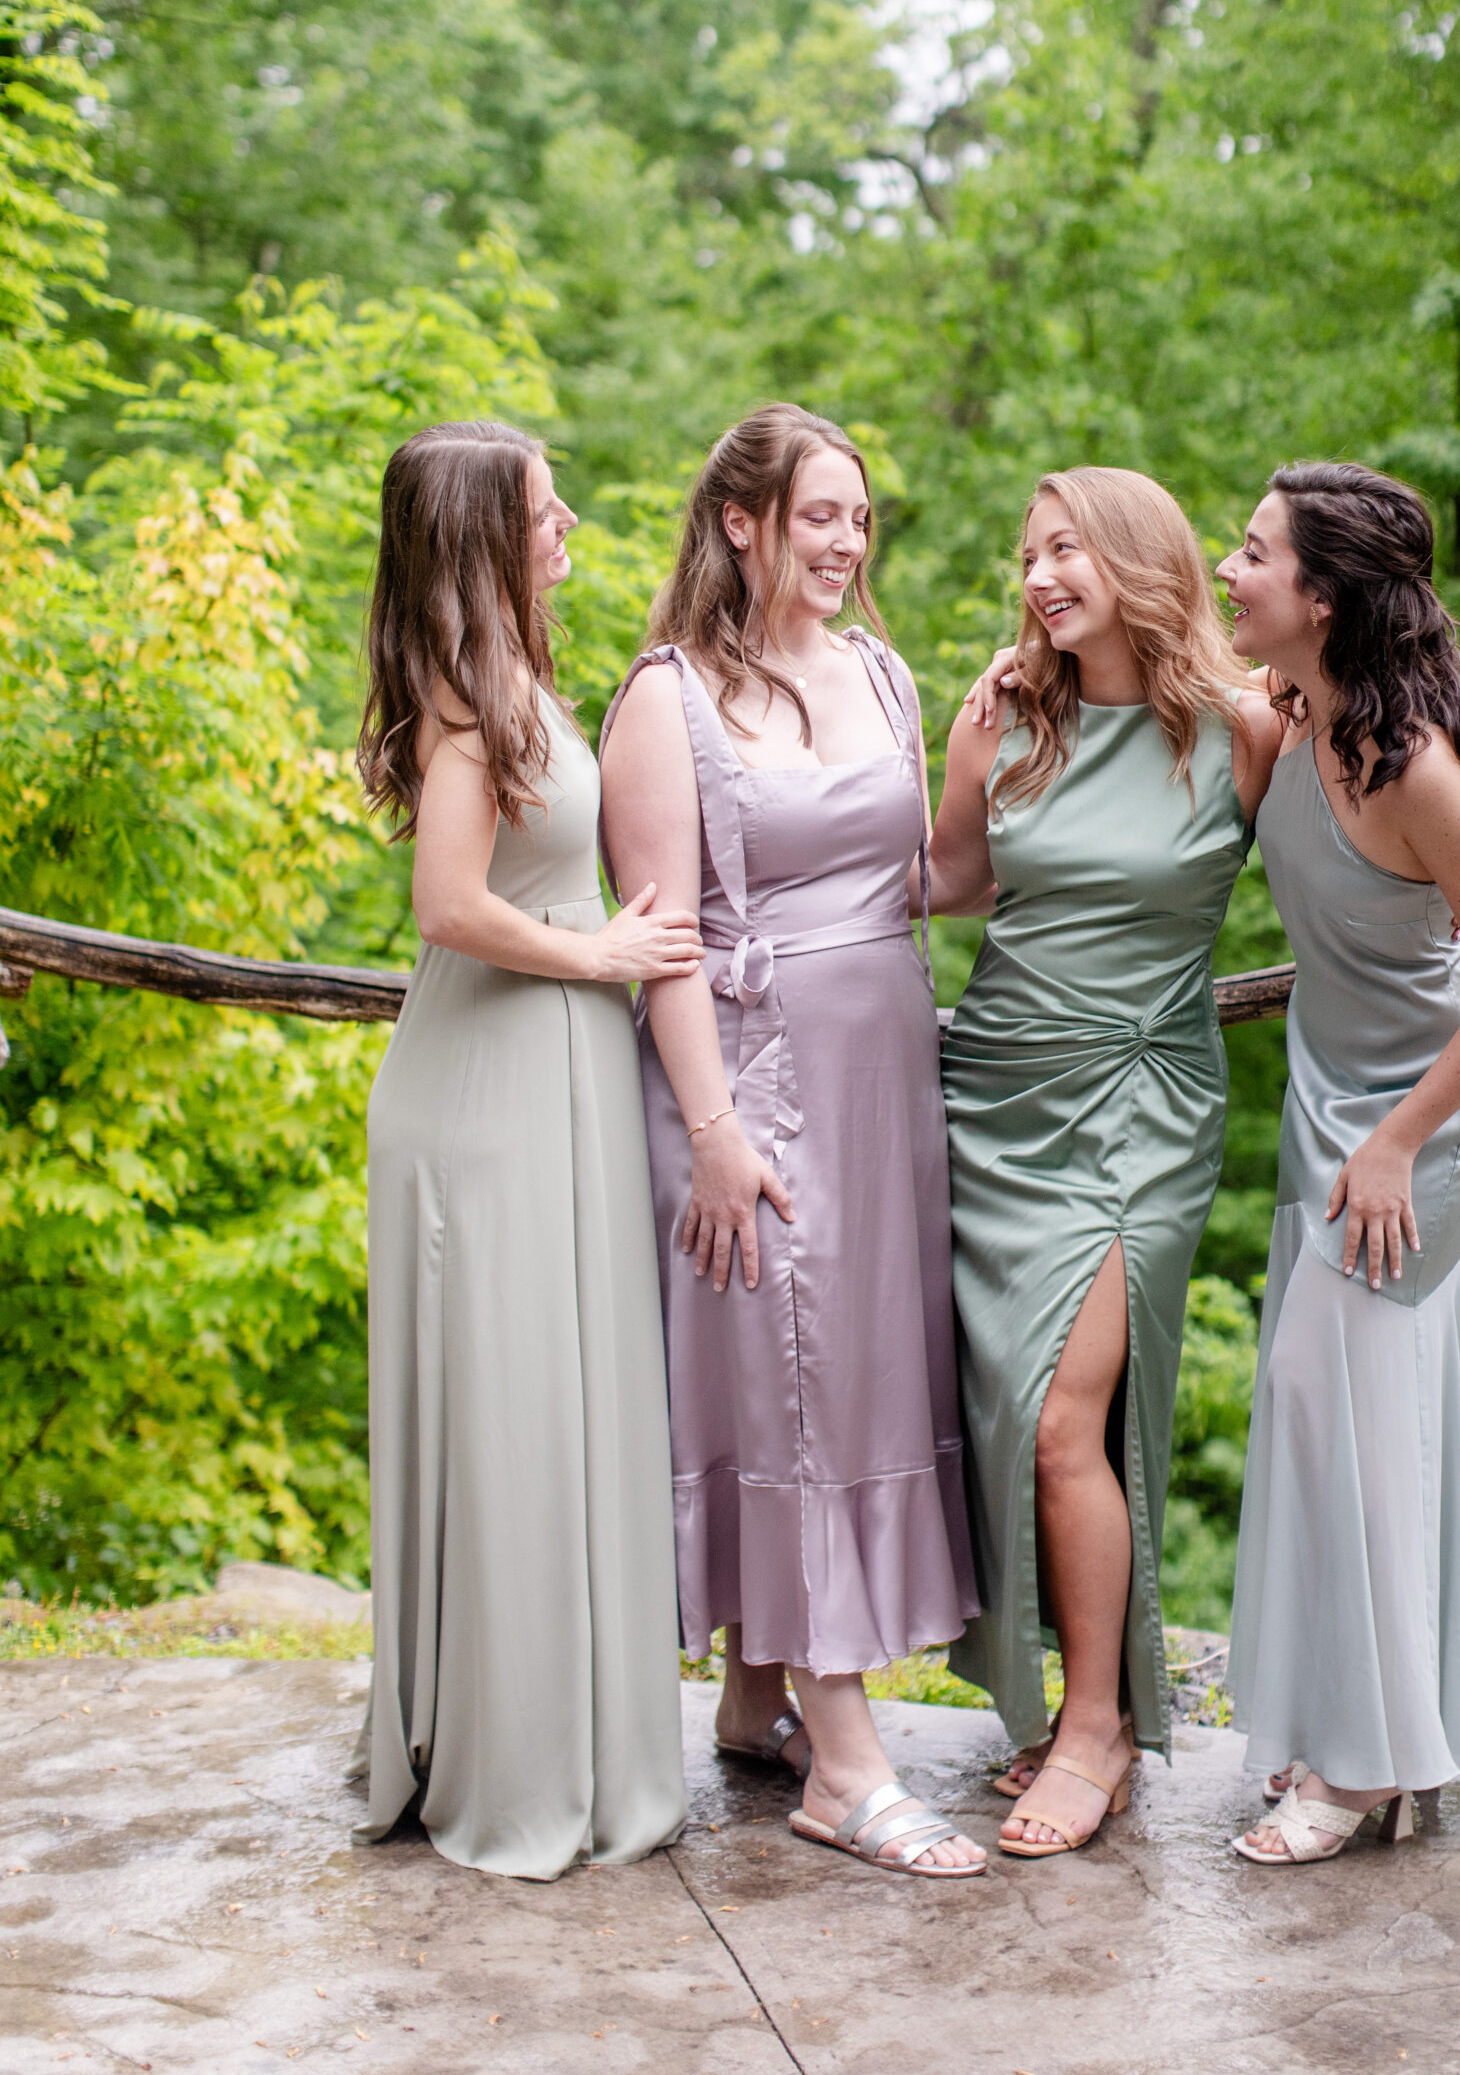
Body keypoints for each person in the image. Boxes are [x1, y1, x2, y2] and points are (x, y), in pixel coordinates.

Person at [599, 403, 985, 1882]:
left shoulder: (885, 673)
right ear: (742, 520)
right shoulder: (666, 698)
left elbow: (932, 876)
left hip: (887, 1079)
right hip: (747, 1089)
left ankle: (758, 1701)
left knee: (861, 1383)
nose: (845, 542)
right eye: (819, 514)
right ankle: (848, 1767)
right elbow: (666, 939)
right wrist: (708, 1128)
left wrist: (1019, 737)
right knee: (794, 1384)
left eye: (861, 520)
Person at [1216, 461, 1460, 1865]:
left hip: (1415, 1120)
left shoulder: (1414, 765)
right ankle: (1364, 1727)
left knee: (1343, 1405)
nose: (1228, 571)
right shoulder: (1288, 715)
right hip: (1328, 1103)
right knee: (1328, 1416)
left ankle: (1366, 1770)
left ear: (1322, 595)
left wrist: (1398, 1143)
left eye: (1252, 554)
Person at [354, 420, 702, 1879]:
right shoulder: (457, 699)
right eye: (547, 515)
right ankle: (510, 1756)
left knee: (568, 1404)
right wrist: (603, 947)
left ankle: (567, 1729)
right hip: (488, 1094)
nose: (568, 533)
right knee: (513, 1421)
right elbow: (446, 902)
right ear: (482, 537)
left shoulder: (516, 682)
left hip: (554, 1077)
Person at [937, 468, 1281, 1858]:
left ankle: (1099, 1728)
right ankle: (1032, 1702)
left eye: (1065, 547)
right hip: (996, 1096)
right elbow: (941, 878)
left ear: (1138, 558)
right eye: (1027, 552)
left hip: (1143, 1108)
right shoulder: (1004, 715)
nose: (1038, 575)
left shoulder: (1249, 732)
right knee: (997, 1405)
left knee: (1063, 1416)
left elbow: (1359, 853)